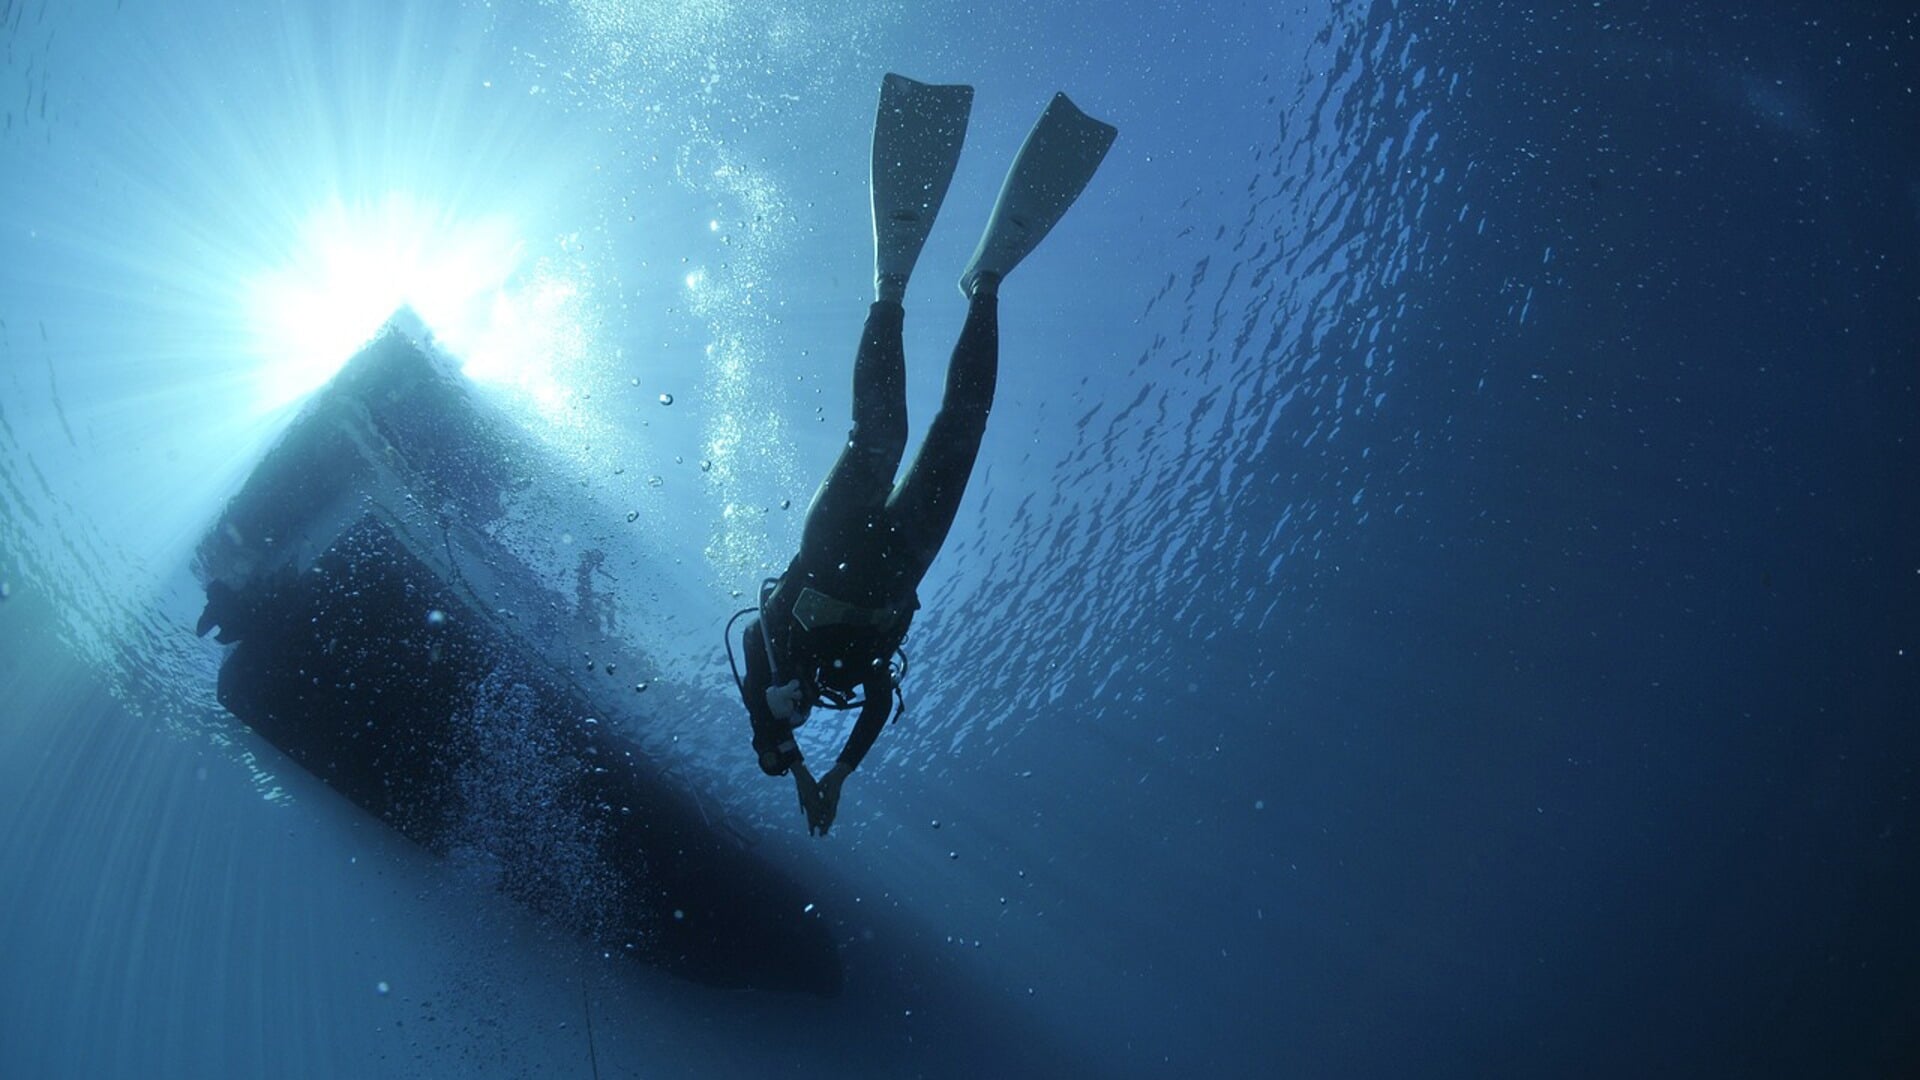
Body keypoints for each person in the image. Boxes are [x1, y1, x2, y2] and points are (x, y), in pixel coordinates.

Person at [735, 74, 1116, 836]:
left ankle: (892, 287)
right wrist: (832, 773)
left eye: (791, 712)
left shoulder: (768, 648)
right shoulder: (845, 684)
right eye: (803, 714)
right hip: (906, 560)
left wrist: (776, 728)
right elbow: (874, 709)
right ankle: (987, 286)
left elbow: (760, 690)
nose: (804, 706)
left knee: (881, 436)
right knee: (963, 427)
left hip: (835, 541)